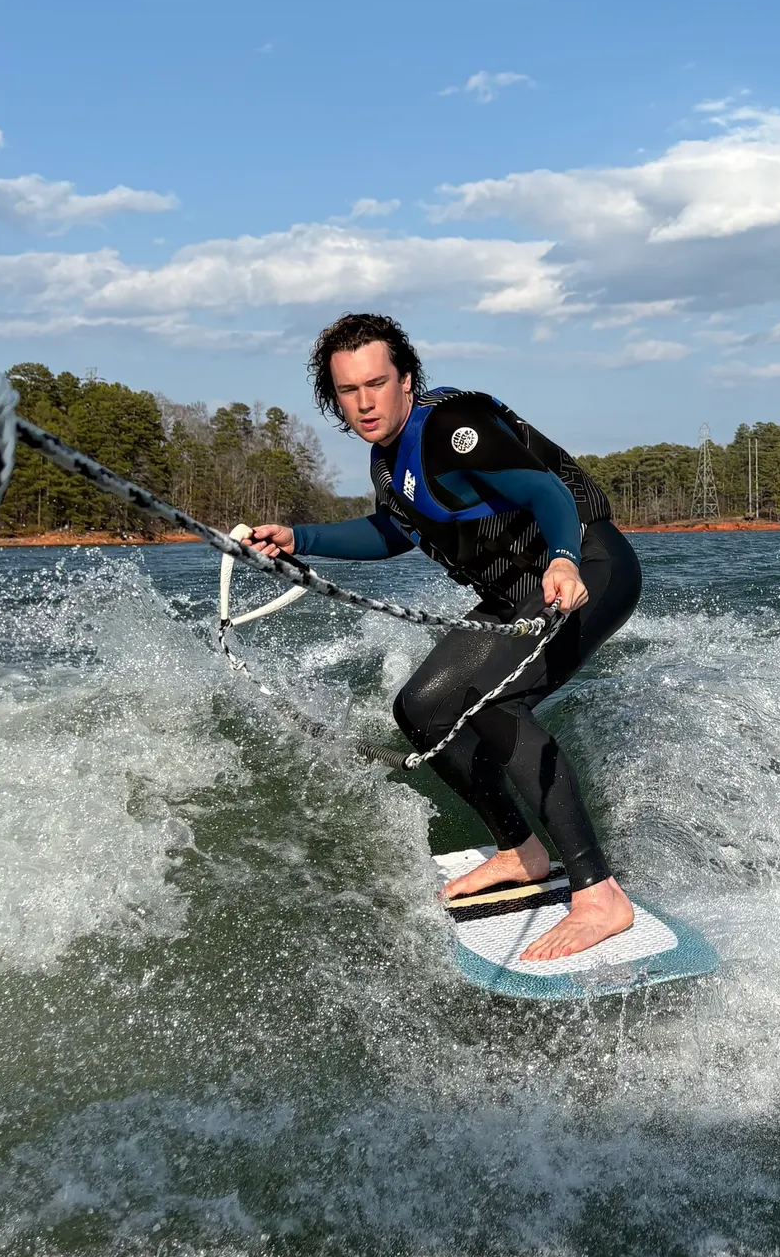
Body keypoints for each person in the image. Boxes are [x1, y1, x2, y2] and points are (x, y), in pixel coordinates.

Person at [249, 313, 641, 962]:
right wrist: (300, 540)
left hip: (587, 568)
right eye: (348, 392)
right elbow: (394, 532)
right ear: (334, 398)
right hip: (517, 593)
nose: (365, 402)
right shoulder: (387, 459)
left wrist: (565, 558)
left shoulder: (453, 432)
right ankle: (522, 851)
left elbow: (546, 492)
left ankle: (600, 895)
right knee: (425, 708)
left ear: (406, 380)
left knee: (493, 704)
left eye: (377, 383)